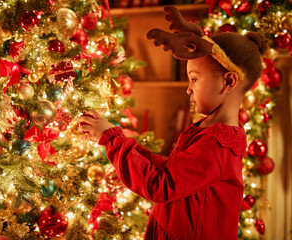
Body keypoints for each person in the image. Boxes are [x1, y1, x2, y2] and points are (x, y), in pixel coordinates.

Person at [77, 5, 268, 240]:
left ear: (229, 80)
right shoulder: (209, 131)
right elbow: (172, 170)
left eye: (195, 79)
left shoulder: (217, 144)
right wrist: (124, 145)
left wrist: (113, 141)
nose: (188, 89)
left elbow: (161, 185)